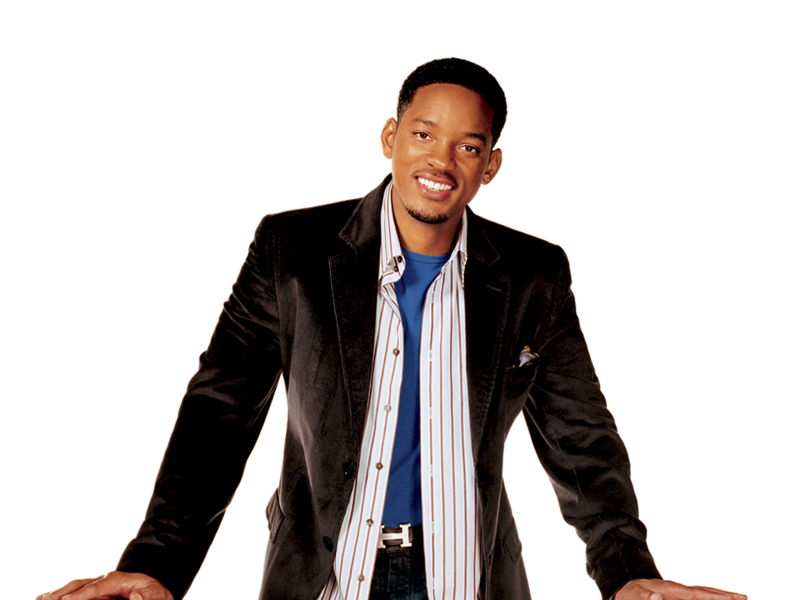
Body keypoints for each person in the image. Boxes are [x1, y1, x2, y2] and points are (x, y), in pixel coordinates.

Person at [37, 58, 746, 600]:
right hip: (326, 578)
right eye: (424, 134)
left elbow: (581, 439)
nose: (440, 161)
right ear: (391, 137)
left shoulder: (534, 277)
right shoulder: (292, 254)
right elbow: (218, 415)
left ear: (491, 165)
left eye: (468, 146)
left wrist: (627, 573)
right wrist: (157, 565)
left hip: (467, 580)